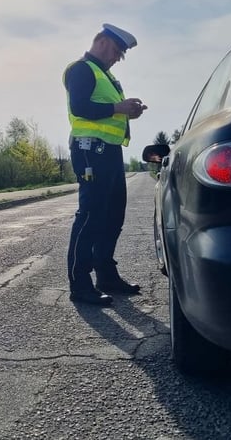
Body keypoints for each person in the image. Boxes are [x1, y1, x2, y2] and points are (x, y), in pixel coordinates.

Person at [62, 23, 147, 305]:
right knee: (90, 216)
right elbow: (80, 107)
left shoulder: (106, 76)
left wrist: (129, 113)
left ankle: (107, 276)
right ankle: (80, 285)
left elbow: (107, 112)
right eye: (116, 51)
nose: (118, 57)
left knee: (113, 216)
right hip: (90, 152)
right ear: (100, 41)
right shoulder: (81, 69)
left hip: (108, 153)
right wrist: (118, 108)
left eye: (121, 54)